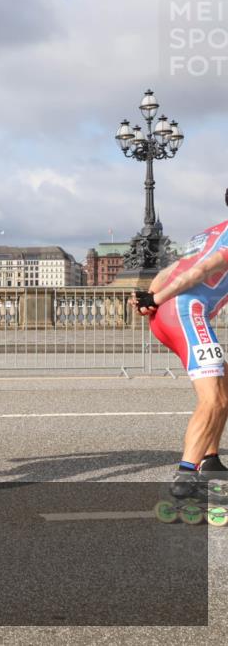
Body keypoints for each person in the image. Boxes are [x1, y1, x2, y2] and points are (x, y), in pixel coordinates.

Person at [130, 193, 227, 502]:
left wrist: (148, 297)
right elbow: (199, 272)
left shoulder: (211, 233)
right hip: (187, 311)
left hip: (168, 312)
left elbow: (173, 268)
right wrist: (154, 299)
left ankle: (210, 460)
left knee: (223, 387)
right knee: (212, 399)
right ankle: (186, 477)